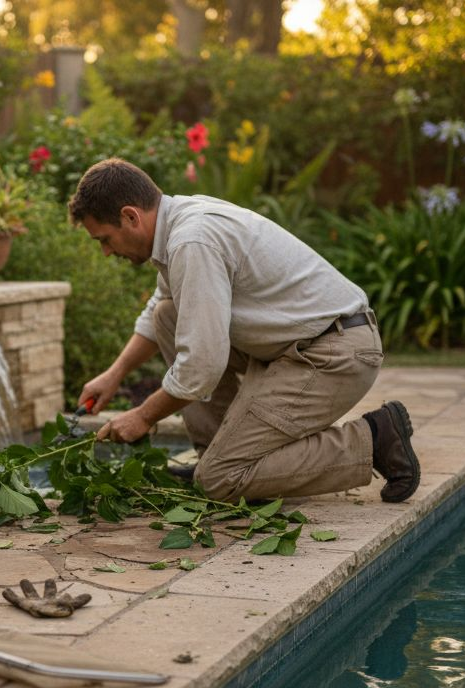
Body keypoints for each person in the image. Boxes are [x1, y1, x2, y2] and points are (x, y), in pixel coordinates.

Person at [68, 158, 420, 503]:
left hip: (332, 354)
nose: (105, 252)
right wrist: (114, 375)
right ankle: (218, 453)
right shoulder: (180, 223)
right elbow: (156, 314)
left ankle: (375, 438)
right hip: (294, 349)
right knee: (167, 315)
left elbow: (201, 368)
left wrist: (143, 416)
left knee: (220, 480)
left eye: (105, 239)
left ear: (130, 216)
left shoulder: (193, 240)